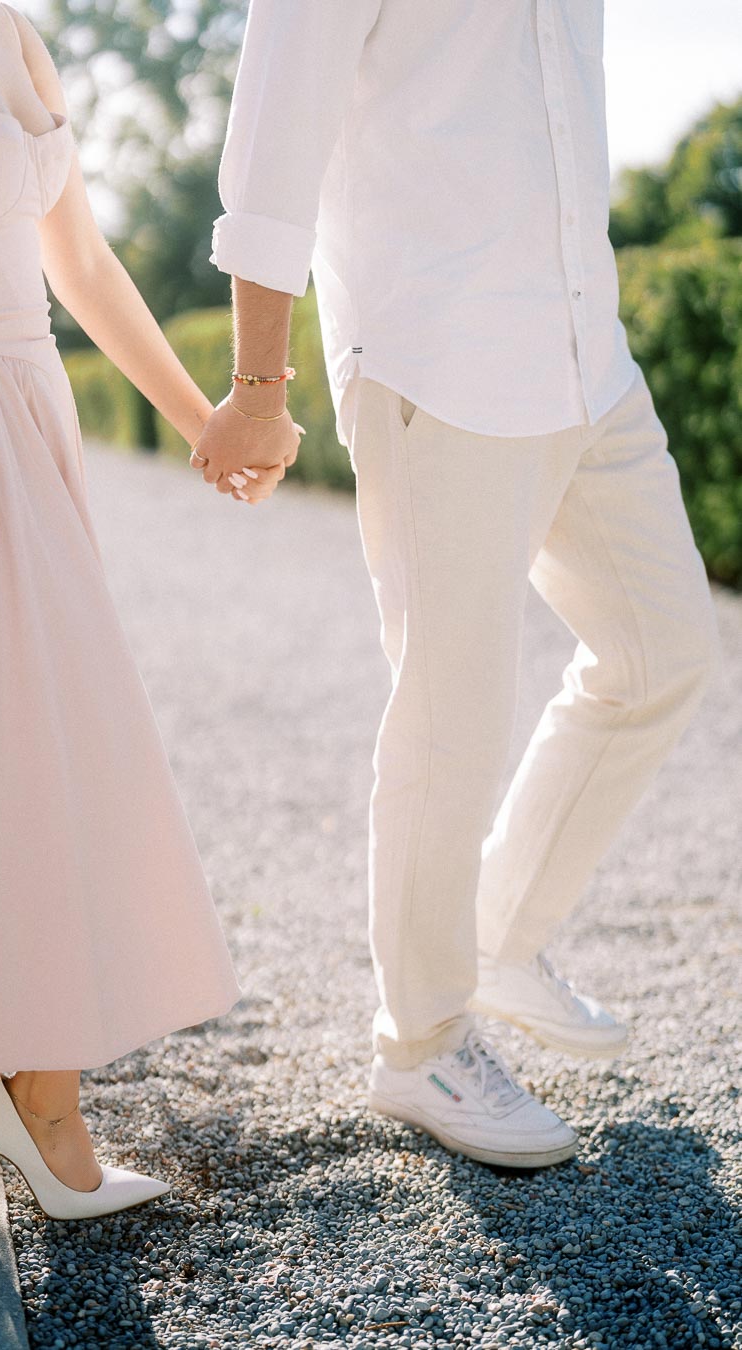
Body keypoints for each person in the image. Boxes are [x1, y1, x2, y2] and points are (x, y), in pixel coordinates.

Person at [194, 0, 722, 1169]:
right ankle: (420, 1038)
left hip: (588, 346)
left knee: (663, 648)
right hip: (439, 343)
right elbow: (275, 130)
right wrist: (258, 382)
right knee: (452, 716)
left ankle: (499, 936)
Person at [0, 0, 290, 1219]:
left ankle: (41, 1101)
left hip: (24, 412)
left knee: (39, 742)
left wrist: (208, 419)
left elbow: (80, 263)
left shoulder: (17, 36)